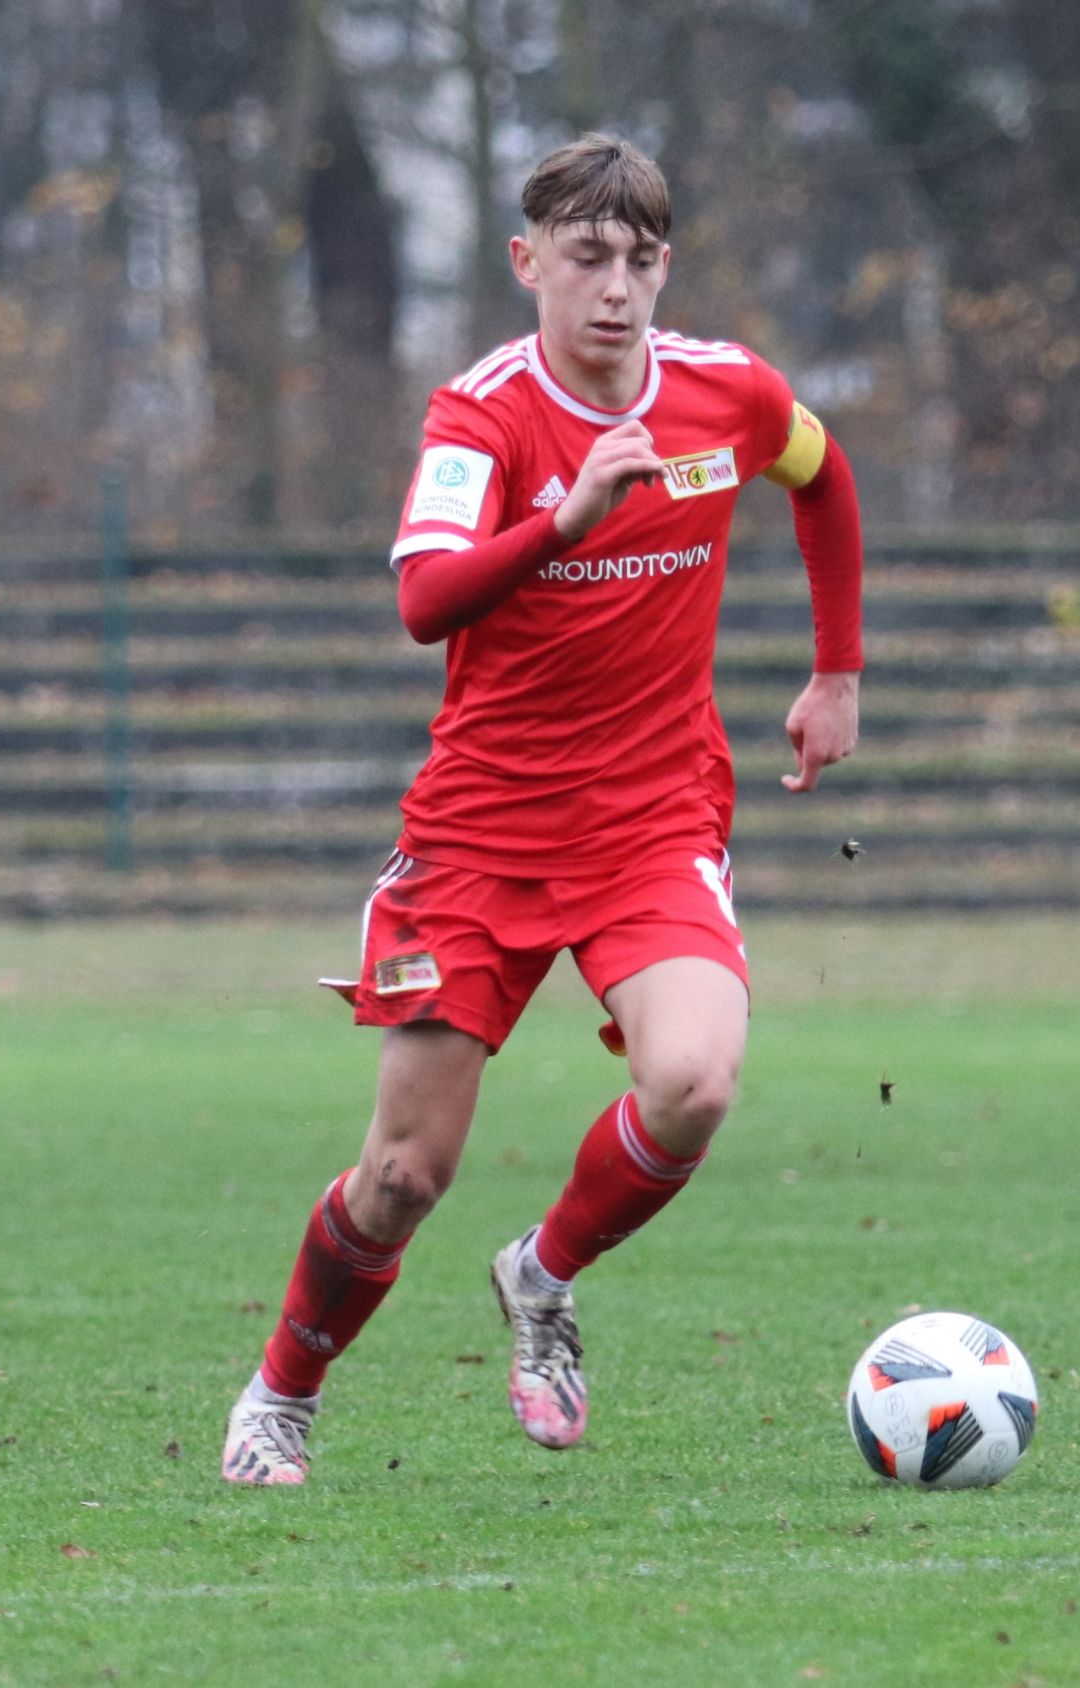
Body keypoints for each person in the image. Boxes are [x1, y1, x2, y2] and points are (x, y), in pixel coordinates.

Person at [219, 133, 867, 1485]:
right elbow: (423, 605)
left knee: (692, 1082)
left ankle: (544, 1273)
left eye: (639, 261)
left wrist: (836, 668)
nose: (616, 289)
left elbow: (824, 476)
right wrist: (565, 519)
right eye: (586, 260)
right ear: (528, 265)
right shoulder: (481, 417)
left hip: (652, 824)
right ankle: (282, 1393)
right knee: (402, 1177)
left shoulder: (725, 393)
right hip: (479, 838)